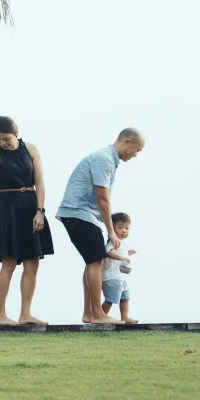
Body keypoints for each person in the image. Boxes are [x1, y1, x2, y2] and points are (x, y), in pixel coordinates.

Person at [55, 128, 145, 324]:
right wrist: (111, 231)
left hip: (82, 215)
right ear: (127, 142)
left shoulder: (108, 160)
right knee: (96, 261)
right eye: (137, 150)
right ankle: (97, 314)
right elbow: (102, 198)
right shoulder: (104, 159)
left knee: (92, 261)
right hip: (80, 213)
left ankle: (89, 313)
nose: (136, 155)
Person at [0, 115, 53, 326]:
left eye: (6, 138)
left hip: (31, 206)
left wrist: (40, 211)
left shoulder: (31, 149)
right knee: (9, 263)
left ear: (16, 132)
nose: (3, 143)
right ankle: (1, 315)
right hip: (7, 208)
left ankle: (26, 314)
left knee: (32, 263)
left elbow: (40, 182)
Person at [99, 212, 138, 323]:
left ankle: (125, 317)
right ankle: (101, 315)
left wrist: (127, 254)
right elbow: (109, 253)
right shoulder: (112, 242)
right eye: (120, 227)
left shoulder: (122, 244)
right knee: (111, 299)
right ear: (112, 228)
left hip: (120, 277)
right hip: (111, 277)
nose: (124, 230)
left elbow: (119, 254)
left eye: (127, 228)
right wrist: (122, 257)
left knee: (125, 298)